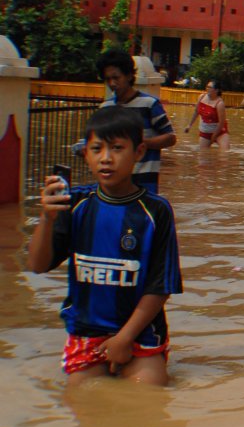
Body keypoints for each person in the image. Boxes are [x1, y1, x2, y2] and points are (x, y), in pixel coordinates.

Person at [29, 106, 184, 386]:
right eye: (97, 148)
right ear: (85, 153)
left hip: (141, 334)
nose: (106, 159)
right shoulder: (74, 205)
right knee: (82, 397)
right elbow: (38, 265)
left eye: (117, 148)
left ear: (138, 153)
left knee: (149, 392)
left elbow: (160, 286)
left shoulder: (156, 211)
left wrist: (124, 338)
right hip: (86, 333)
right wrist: (46, 218)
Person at [97, 49, 177, 192]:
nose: (112, 83)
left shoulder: (149, 104)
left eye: (116, 77)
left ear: (128, 76)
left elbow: (170, 138)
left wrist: (140, 143)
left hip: (145, 185)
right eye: (108, 79)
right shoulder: (105, 108)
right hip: (114, 186)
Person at [183, 80, 231, 150]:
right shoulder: (201, 97)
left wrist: (214, 136)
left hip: (220, 131)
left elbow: (221, 123)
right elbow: (196, 112)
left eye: (209, 87)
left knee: (225, 154)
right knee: (203, 155)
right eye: (207, 87)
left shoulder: (220, 103)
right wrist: (189, 125)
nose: (207, 89)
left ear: (216, 90)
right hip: (205, 131)